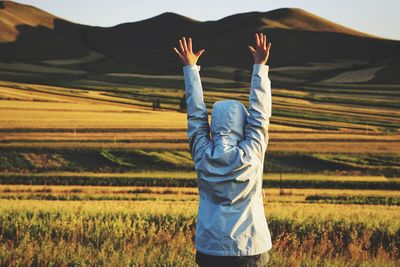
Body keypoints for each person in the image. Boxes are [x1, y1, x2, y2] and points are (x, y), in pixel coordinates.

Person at [173, 32, 272, 267]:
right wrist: (260, 66)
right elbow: (260, 115)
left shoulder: (203, 152)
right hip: (251, 247)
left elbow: (196, 116)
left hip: (210, 248)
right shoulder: (252, 152)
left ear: (213, 125)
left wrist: (191, 69)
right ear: (243, 124)